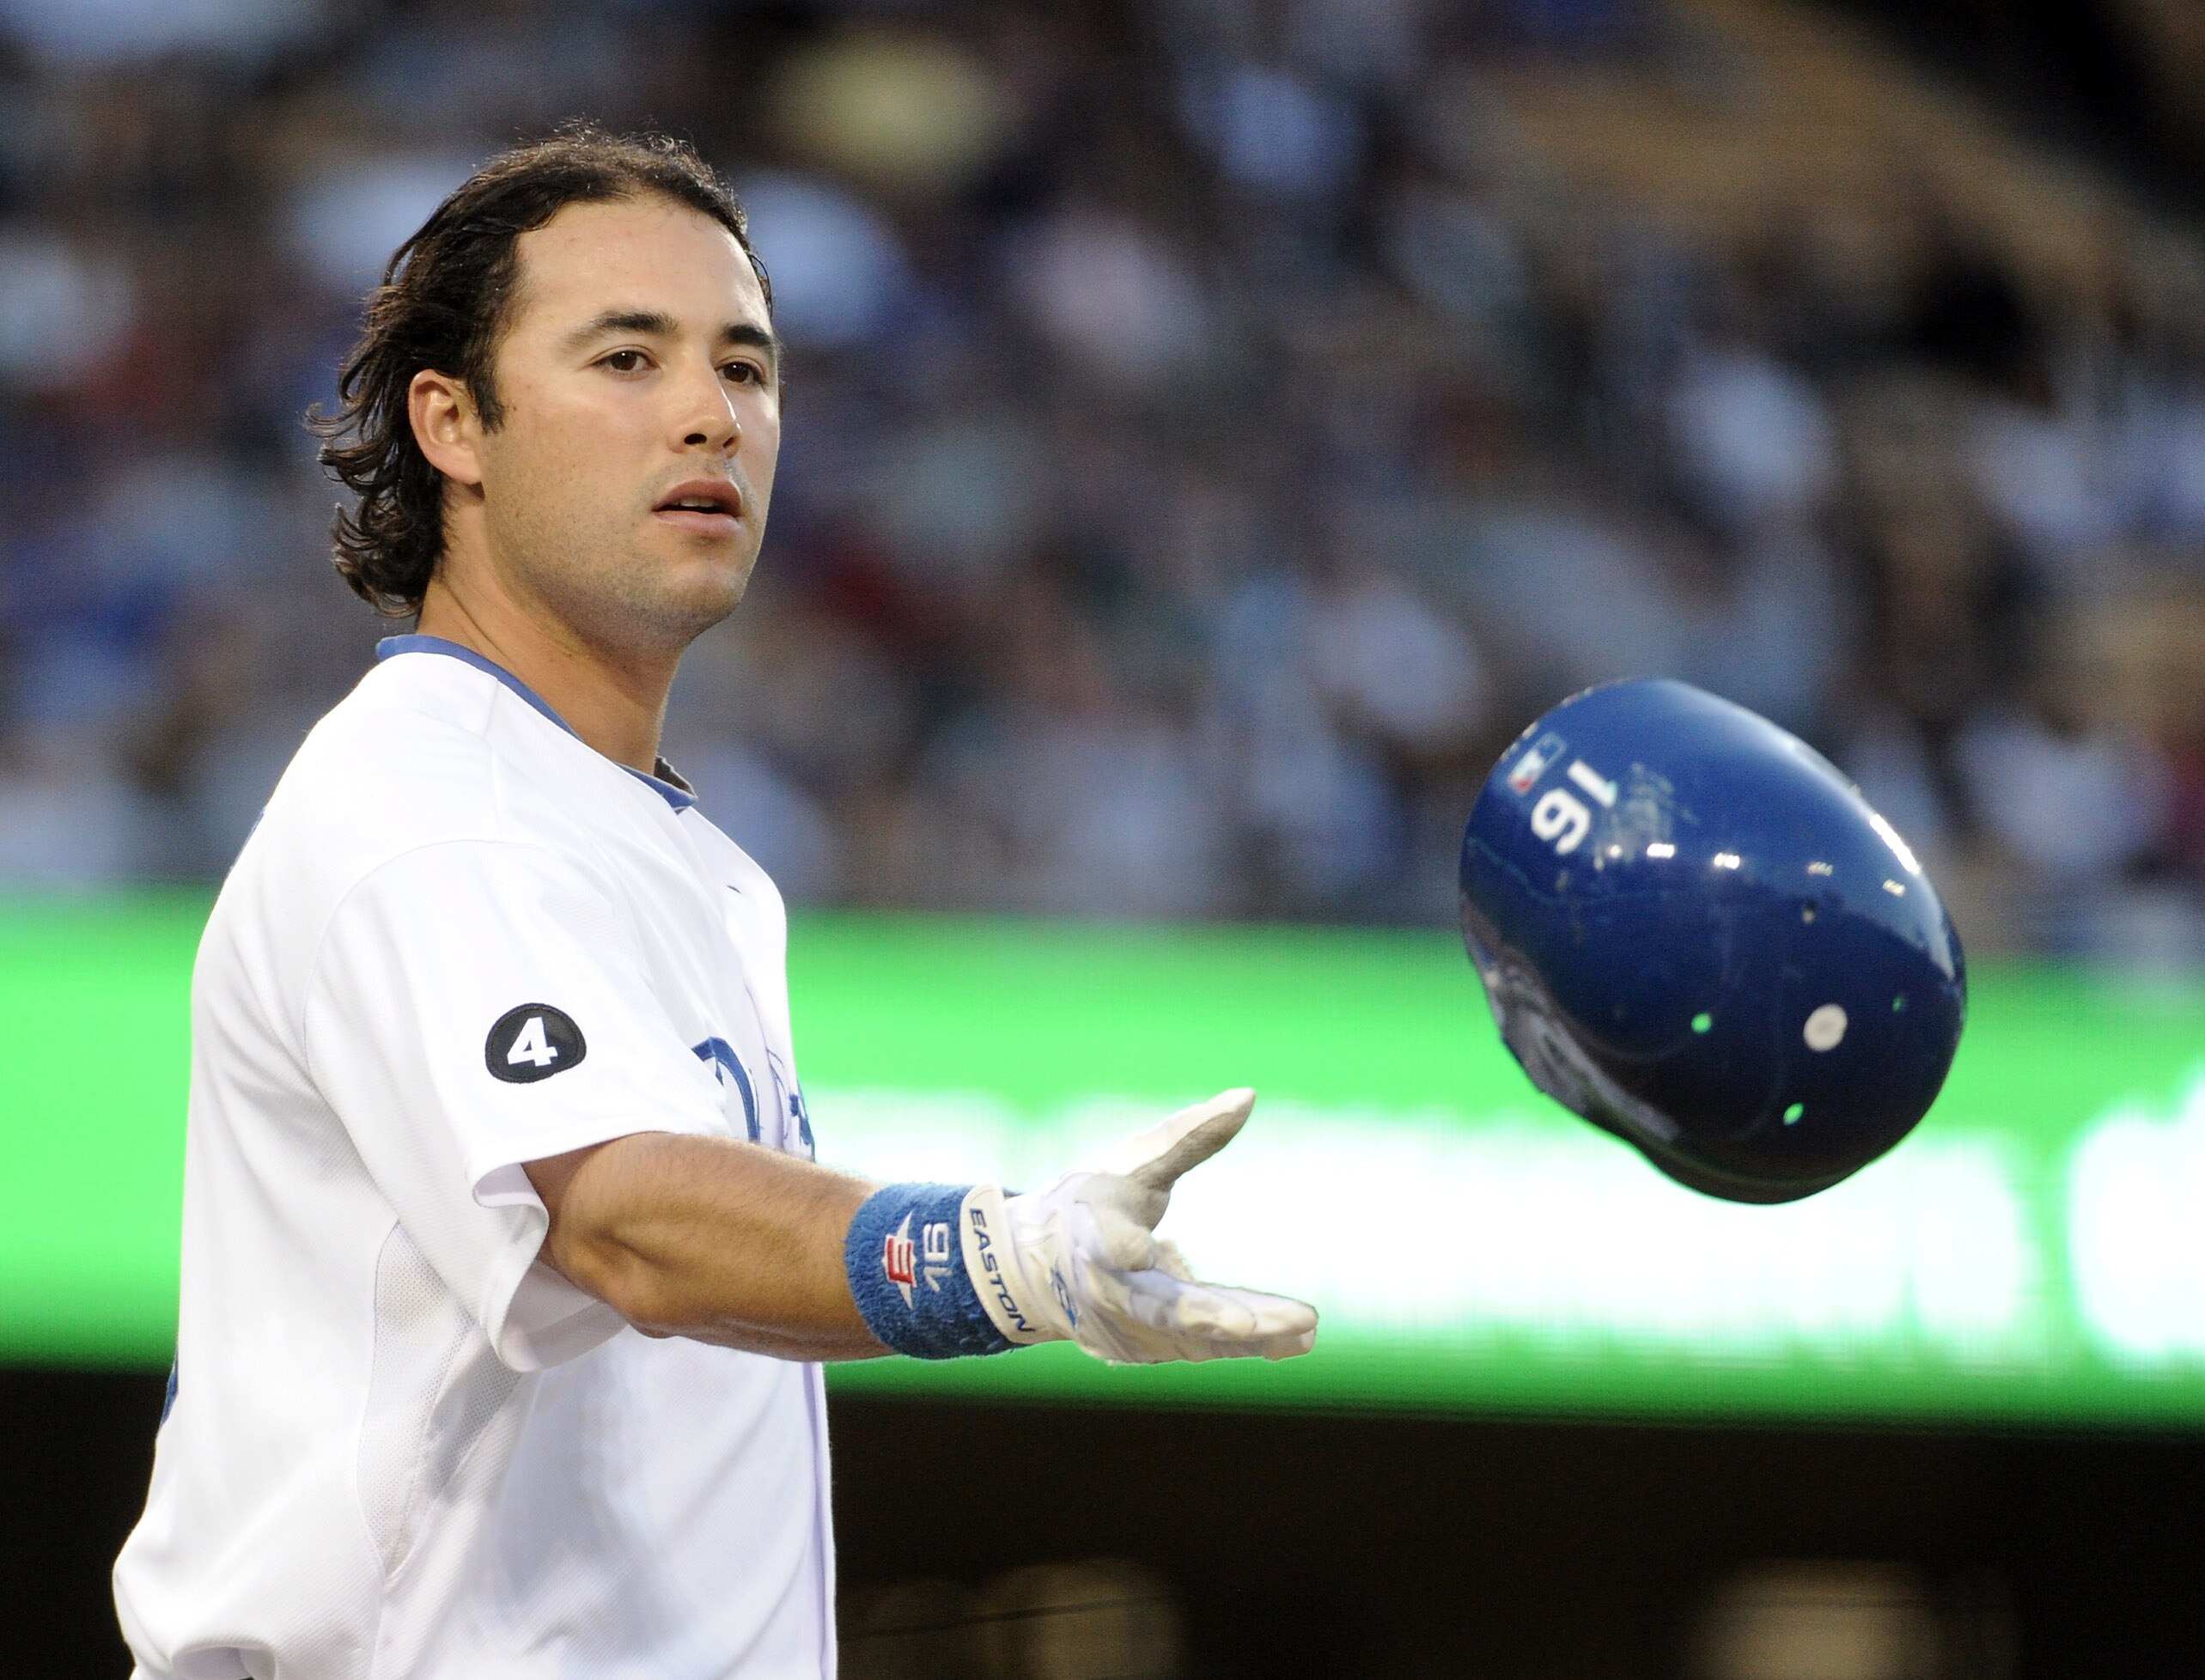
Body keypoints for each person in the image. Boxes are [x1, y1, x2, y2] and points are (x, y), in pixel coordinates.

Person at [112, 129, 1315, 1680]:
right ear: (453, 422)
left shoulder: (639, 832)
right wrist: (1011, 1260)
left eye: (747, 370)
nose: (708, 413)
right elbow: (624, 1222)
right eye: (626, 357)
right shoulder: (428, 803)